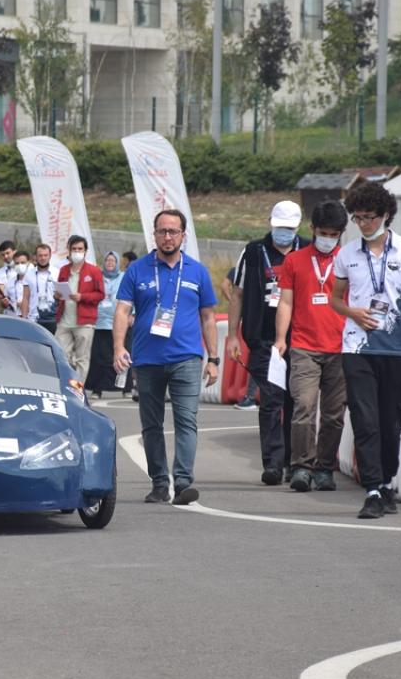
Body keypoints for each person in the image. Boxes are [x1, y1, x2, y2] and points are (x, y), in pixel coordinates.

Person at [332, 183, 401, 520]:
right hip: (356, 348)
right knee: (364, 418)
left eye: (369, 217)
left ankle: (388, 481)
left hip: (397, 349)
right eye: (357, 218)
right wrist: (352, 313)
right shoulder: (347, 254)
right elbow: (334, 298)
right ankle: (373, 489)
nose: (363, 224)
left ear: (385, 215)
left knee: (391, 423)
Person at [113, 209, 220, 506]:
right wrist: (119, 347)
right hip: (147, 359)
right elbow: (122, 310)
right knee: (151, 424)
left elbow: (208, 317)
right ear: (154, 234)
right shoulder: (137, 270)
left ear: (183, 235)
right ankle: (160, 482)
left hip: (186, 357)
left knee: (186, 420)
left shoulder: (197, 271)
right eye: (162, 231)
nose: (167, 236)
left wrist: (213, 358)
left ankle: (183, 481)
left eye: (173, 231)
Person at [227, 200, 308, 486]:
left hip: (300, 338)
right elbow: (237, 293)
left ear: (297, 227)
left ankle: (293, 461)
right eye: (278, 227)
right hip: (263, 339)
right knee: (272, 399)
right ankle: (273, 463)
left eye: (288, 228)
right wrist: (233, 335)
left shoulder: (308, 250)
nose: (283, 233)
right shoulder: (252, 252)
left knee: (296, 401)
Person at [273, 201, 349, 493]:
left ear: (341, 234)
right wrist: (281, 339)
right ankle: (301, 466)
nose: (328, 238)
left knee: (333, 414)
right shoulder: (295, 260)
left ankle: (325, 468)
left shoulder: (347, 260)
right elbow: (286, 302)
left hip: (340, 347)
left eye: (334, 234)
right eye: (323, 232)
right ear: (312, 229)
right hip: (304, 346)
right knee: (303, 406)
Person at [54, 235, 104, 381]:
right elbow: (60, 290)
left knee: (82, 358)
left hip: (85, 321)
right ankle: (65, 383)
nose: (77, 252)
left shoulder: (94, 271)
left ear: (85, 251)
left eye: (80, 249)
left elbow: (100, 294)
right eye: (74, 249)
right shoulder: (63, 270)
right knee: (60, 354)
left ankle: (79, 388)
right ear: (69, 251)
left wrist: (82, 297)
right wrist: (57, 295)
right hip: (64, 320)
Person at [84, 251, 123, 398]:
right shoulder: (97, 276)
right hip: (98, 321)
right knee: (97, 356)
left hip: (116, 322)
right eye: (108, 261)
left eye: (113, 261)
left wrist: (132, 314)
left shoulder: (123, 277)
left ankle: (122, 387)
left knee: (116, 355)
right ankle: (96, 388)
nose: (110, 263)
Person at [223, 265, 259, 410]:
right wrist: (236, 304)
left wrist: (235, 303)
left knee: (258, 359)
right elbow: (225, 286)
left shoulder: (242, 267)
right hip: (256, 319)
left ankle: (250, 396)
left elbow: (224, 286)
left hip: (253, 319)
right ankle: (250, 396)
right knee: (258, 359)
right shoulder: (242, 267)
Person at [27, 244, 59, 334]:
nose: (43, 258)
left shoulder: (57, 273)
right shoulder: (29, 274)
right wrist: (24, 317)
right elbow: (25, 297)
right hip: (33, 318)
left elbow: (63, 296)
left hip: (52, 319)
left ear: (50, 256)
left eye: (45, 255)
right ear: (35, 257)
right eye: (40, 255)